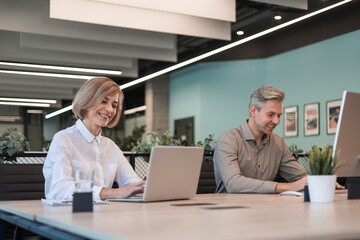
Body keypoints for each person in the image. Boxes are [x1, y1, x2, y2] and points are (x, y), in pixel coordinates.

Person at [214, 86, 343, 194]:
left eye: (279, 115)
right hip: (230, 212)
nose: (276, 121)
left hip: (266, 211)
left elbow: (300, 177)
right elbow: (233, 183)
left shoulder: (278, 143)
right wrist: (286, 187)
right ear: (254, 111)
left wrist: (323, 183)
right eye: (270, 115)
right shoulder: (228, 140)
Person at [43, 77, 145, 201]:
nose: (110, 110)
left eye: (114, 105)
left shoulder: (110, 146)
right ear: (87, 100)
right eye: (103, 101)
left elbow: (131, 184)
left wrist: (148, 187)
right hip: (70, 215)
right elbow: (59, 189)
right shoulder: (64, 139)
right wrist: (112, 193)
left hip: (102, 215)